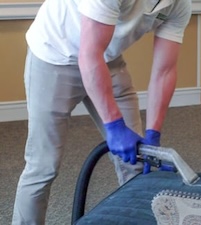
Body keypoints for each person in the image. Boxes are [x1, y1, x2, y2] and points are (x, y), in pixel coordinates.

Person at [12, 0, 191, 224]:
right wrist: (114, 125)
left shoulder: (180, 4)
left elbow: (164, 71)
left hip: (106, 59)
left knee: (136, 160)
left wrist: (153, 135)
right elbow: (89, 55)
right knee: (43, 167)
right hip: (54, 54)